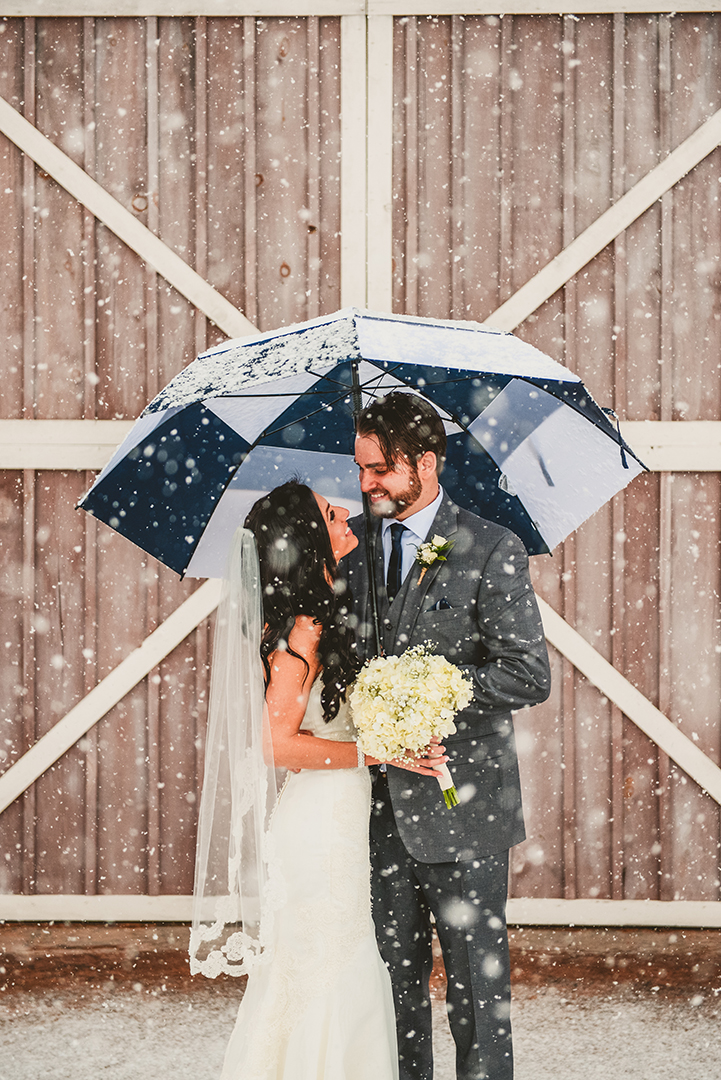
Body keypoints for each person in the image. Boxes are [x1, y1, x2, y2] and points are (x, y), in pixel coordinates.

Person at [190, 479, 447, 1080]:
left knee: (333, 960)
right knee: (334, 962)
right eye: (333, 515)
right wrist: (374, 751)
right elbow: (278, 744)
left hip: (340, 811)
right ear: (309, 538)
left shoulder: (319, 616)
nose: (348, 519)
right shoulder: (300, 632)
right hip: (324, 823)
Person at [345, 393, 552, 1080]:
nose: (367, 483)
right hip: (370, 812)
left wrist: (427, 700)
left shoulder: (492, 547)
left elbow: (526, 674)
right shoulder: (348, 547)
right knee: (387, 993)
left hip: (464, 808)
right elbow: (328, 673)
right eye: (361, 468)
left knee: (476, 996)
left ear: (425, 463)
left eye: (379, 469)